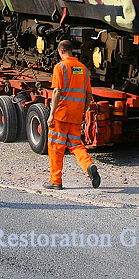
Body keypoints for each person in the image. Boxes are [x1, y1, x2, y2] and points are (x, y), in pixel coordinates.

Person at [44, 41, 100, 190]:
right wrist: (84, 110)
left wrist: (51, 114)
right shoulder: (83, 69)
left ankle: (56, 181)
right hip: (76, 114)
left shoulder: (60, 67)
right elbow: (89, 93)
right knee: (76, 144)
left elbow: (56, 92)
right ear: (72, 51)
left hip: (61, 114)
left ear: (61, 51)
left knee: (56, 146)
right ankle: (89, 166)